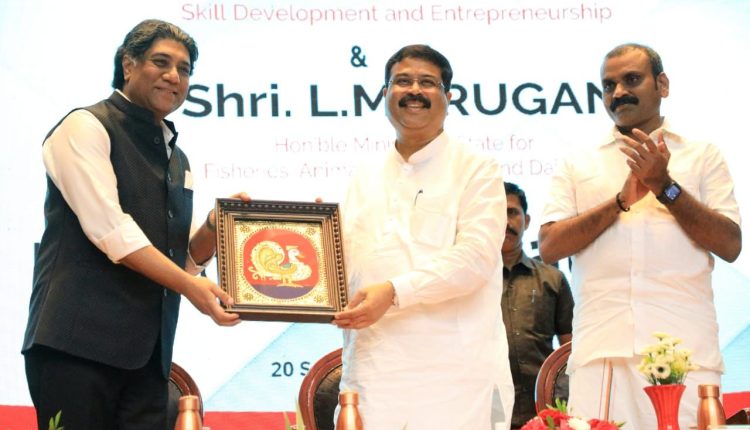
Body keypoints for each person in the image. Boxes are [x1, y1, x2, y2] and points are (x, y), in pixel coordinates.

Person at [22, 19, 245, 430]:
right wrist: (191, 288)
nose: (173, 76)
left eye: (184, 69)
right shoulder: (85, 126)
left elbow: (179, 261)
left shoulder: (176, 157)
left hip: (146, 358)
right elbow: (112, 232)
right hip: (76, 350)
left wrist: (215, 227)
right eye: (161, 62)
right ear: (128, 64)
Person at [539, 43, 742, 429]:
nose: (618, 92)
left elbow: (730, 245)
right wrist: (619, 202)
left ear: (662, 84)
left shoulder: (702, 155)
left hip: (684, 350)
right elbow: (549, 247)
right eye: (608, 85)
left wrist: (665, 186)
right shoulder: (578, 161)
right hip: (603, 351)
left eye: (631, 80)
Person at [332, 44, 515, 430]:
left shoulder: (477, 168)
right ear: (384, 94)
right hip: (373, 371)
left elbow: (475, 259)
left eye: (427, 82)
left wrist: (394, 292)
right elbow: (343, 264)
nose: (414, 90)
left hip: (452, 379)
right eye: (402, 81)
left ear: (449, 97)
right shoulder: (364, 174)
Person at [500, 181, 573, 428]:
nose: (505, 222)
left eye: (512, 212)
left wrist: (562, 401)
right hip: (488, 409)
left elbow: (570, 351)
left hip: (544, 411)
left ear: (527, 220)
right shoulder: (474, 283)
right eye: (498, 213)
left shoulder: (553, 279)